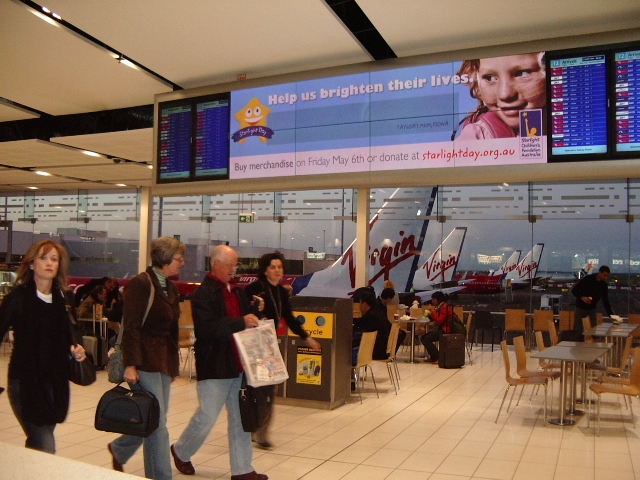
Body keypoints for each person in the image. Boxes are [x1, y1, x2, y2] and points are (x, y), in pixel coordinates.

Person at [170, 245, 268, 480]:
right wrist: (241, 321)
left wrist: (256, 309)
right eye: (231, 265)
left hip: (237, 364)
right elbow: (207, 329)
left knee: (239, 418)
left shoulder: (237, 291)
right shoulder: (203, 294)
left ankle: (242, 470)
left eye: (236, 265)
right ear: (216, 264)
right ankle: (181, 450)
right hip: (214, 365)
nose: (235, 269)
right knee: (207, 416)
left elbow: (243, 318)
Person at [107, 236, 185, 479]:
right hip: (144, 359)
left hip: (162, 360)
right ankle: (161, 475)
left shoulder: (170, 287)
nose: (182, 263)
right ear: (164, 258)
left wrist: (172, 367)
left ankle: (120, 448)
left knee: (153, 416)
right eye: (179, 258)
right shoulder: (141, 284)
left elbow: (171, 330)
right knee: (158, 424)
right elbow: (131, 327)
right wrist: (131, 364)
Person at [0, 239, 86, 453]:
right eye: (43, 258)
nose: (49, 263)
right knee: (45, 443)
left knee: (38, 443)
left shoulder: (65, 298)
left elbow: (72, 334)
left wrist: (77, 349)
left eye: (54, 259)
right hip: (25, 381)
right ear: (31, 264)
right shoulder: (18, 298)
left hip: (55, 382)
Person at [244, 252, 321, 449]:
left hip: (269, 343)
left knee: (270, 388)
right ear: (265, 270)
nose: (277, 270)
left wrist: (306, 337)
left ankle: (259, 430)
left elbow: (289, 317)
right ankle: (255, 429)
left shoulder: (280, 292)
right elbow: (244, 311)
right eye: (273, 267)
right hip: (254, 343)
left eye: (279, 267)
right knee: (257, 390)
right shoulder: (255, 288)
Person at [455, 52, 546, 140]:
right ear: (477, 84)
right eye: (489, 78)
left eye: (521, 73)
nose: (505, 94)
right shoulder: (477, 136)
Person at [572, 265, 615, 335]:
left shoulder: (603, 285)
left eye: (607, 276)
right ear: (599, 273)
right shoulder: (588, 279)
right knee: (578, 330)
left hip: (592, 309)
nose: (605, 278)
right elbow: (574, 290)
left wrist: (612, 316)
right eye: (604, 275)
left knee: (593, 331)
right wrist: (583, 297)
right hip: (581, 308)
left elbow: (606, 302)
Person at [352, 292, 391, 366]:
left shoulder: (370, 316)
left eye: (360, 303)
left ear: (364, 304)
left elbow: (360, 324)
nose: (360, 306)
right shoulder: (378, 313)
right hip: (382, 349)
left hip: (374, 352)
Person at [419, 291, 453, 363]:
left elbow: (439, 321)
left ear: (438, 299)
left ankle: (437, 357)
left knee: (426, 339)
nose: (432, 301)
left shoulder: (444, 307)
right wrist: (429, 314)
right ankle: (434, 357)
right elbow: (435, 318)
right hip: (442, 328)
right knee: (423, 337)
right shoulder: (440, 307)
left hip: (446, 329)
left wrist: (432, 311)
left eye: (434, 299)